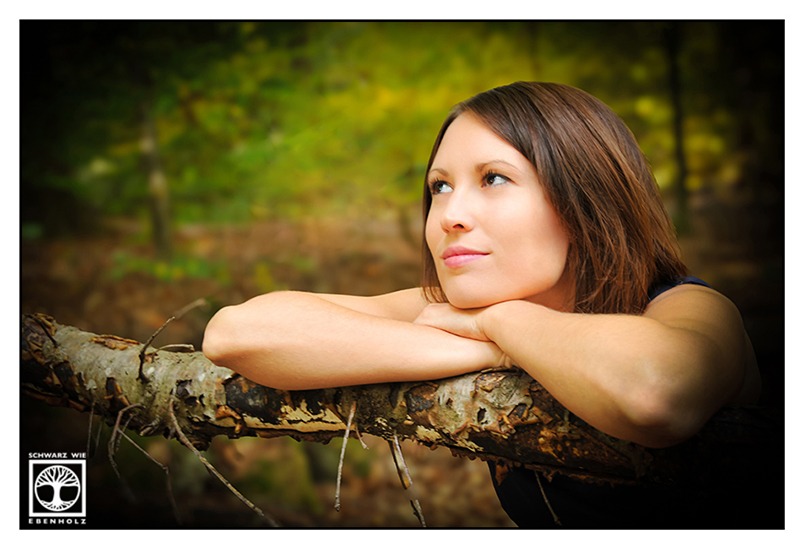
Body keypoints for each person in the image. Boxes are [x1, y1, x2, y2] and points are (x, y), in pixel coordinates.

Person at [202, 81, 762, 527]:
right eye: (440, 186)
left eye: (494, 178)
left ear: (585, 202)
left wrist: (499, 326)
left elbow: (654, 393)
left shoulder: (692, 308)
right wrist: (497, 348)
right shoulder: (458, 309)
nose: (450, 215)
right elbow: (240, 333)